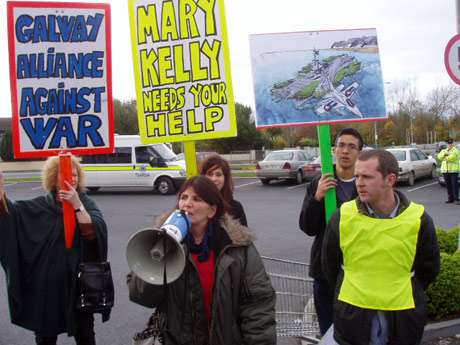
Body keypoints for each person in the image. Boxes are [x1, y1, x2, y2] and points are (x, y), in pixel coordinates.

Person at [127, 176, 276, 345]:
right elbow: (141, 297)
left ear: (211, 211)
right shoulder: (160, 241)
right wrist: (156, 256)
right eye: (183, 197)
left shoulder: (237, 248)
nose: (187, 203)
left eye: (196, 199)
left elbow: (258, 303)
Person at [322, 149, 440, 345]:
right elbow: (330, 266)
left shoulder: (418, 219)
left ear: (390, 179)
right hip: (353, 318)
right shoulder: (343, 216)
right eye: (357, 175)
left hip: (402, 319)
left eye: (367, 176)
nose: (359, 182)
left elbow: (429, 268)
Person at [0, 156, 109, 345]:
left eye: (75, 174)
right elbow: (10, 214)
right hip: (47, 288)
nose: (72, 178)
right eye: (66, 174)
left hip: (79, 286)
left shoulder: (85, 202)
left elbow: (93, 232)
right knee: (45, 336)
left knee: (85, 335)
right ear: (53, 178)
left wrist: (76, 204)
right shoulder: (39, 206)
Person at [298, 127, 363, 335]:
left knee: (354, 330)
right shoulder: (321, 181)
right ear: (334, 150)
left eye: (351, 147)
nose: (345, 151)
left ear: (359, 153)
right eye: (341, 145)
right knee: (328, 331)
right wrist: (316, 198)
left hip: (357, 270)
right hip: (324, 270)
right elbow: (308, 227)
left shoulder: (366, 182)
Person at [200, 154, 248, 226]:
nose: (214, 179)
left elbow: (245, 236)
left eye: (218, 174)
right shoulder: (194, 204)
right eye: (210, 174)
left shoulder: (236, 207)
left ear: (225, 178)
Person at [437, 138, 460, 205]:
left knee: (454, 185)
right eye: (448, 144)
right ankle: (450, 199)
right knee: (448, 186)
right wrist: (445, 156)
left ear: (453, 144)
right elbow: (439, 157)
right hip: (445, 171)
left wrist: (445, 156)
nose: (450, 145)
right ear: (447, 144)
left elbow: (452, 158)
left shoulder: (456, 150)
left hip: (453, 171)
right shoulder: (444, 150)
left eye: (451, 143)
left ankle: (457, 199)